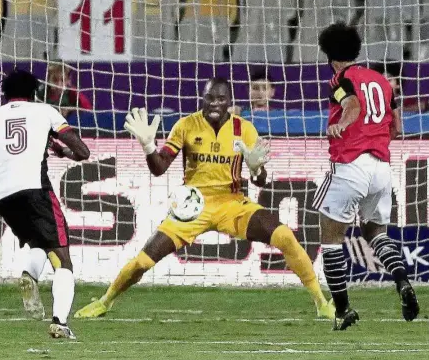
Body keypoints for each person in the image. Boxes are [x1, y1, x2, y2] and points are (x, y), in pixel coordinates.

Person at [74, 78, 335, 319]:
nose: (215, 104)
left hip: (232, 203)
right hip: (192, 206)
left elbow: (261, 181)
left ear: (230, 102)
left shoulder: (244, 129)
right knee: (143, 261)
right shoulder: (186, 125)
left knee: (285, 236)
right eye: (210, 98)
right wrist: (148, 147)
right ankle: (105, 301)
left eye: (221, 99)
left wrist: (256, 169)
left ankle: (321, 303)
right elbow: (159, 168)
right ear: (202, 99)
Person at [316, 22, 419, 330]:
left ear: (330, 57)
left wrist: (343, 124)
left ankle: (344, 310)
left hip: (351, 164)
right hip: (381, 167)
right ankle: (401, 280)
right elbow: (396, 127)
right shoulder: (383, 81)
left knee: (331, 241)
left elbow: (352, 105)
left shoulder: (340, 78)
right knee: (376, 234)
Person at [0, 69, 90, 339]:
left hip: (5, 197)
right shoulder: (44, 111)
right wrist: (61, 150)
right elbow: (82, 152)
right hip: (36, 192)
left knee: (40, 243)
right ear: (34, 92)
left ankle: (29, 274)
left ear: (4, 94)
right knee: (63, 259)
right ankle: (61, 322)